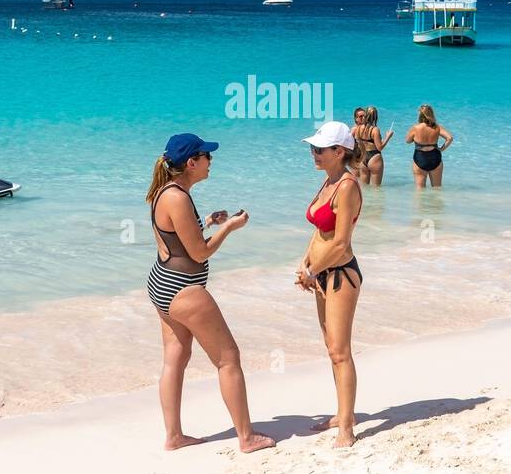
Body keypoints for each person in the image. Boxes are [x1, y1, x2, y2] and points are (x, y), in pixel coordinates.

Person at [146, 133, 275, 454]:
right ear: (191, 163)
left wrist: (205, 222)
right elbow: (200, 253)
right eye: (207, 156)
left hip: (161, 284)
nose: (210, 161)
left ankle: (174, 436)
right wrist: (228, 227)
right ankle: (246, 438)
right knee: (228, 358)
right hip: (182, 289)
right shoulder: (177, 198)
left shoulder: (168, 192)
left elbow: (178, 238)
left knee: (175, 360)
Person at [296, 121, 364, 448]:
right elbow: (319, 232)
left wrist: (314, 270)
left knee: (341, 351)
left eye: (320, 149)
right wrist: (305, 262)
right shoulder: (328, 182)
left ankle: (347, 427)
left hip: (341, 276)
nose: (314, 154)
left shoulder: (348, 186)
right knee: (330, 349)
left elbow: (340, 243)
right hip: (321, 274)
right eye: (313, 148)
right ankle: (341, 412)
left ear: (340, 152)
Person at [406, 104, 454, 188]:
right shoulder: (437, 127)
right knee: (437, 189)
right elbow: (449, 138)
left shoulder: (415, 128)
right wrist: (442, 149)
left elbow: (408, 141)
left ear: (420, 114)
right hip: (435, 157)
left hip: (420, 158)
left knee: (420, 192)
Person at [352, 105, 393, 186]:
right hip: (374, 157)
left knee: (364, 188)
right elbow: (380, 147)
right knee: (376, 189)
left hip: (363, 158)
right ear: (375, 117)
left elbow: (358, 143)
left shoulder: (358, 128)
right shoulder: (375, 130)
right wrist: (388, 137)